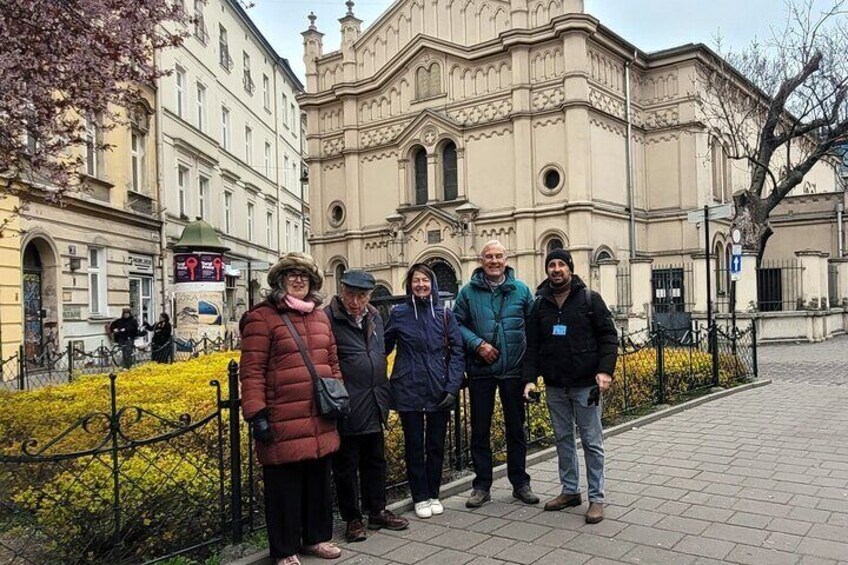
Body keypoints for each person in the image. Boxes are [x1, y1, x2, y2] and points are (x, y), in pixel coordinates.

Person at [239, 252, 343, 565]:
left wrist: (339, 394)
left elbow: (332, 361)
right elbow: (252, 370)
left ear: (312, 282)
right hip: (283, 416)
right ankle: (284, 550)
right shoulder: (262, 317)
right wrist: (257, 413)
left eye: (304, 275)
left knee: (317, 483)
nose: (298, 280)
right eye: (292, 275)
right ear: (280, 281)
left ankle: (315, 538)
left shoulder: (320, 316)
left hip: (320, 414)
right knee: (284, 488)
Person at [522, 249, 618, 524]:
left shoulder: (589, 299)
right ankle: (570, 491)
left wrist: (605, 371)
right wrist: (529, 379)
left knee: (591, 441)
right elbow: (533, 346)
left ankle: (596, 498)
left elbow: (608, 336)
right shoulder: (540, 304)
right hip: (555, 386)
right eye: (551, 264)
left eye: (561, 264)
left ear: (570, 268)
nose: (556, 269)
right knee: (563, 439)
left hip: (585, 385)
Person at [452, 240, 539, 508]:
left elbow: (533, 328)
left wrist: (531, 372)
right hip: (481, 371)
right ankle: (481, 485)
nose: (494, 261)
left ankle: (520, 483)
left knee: (516, 429)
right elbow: (455, 323)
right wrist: (477, 344)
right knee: (480, 430)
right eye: (489, 256)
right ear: (482, 261)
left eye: (498, 256)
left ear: (506, 259)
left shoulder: (521, 290)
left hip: (513, 371)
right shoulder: (467, 292)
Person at [325, 270, 409, 542]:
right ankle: (353, 519)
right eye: (350, 294)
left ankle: (377, 510)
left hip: (375, 399)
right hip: (347, 402)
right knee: (347, 465)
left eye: (361, 296)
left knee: (375, 460)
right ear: (342, 291)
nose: (355, 302)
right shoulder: (328, 318)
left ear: (369, 296)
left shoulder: (374, 316)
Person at [385, 263, 464, 519]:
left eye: (425, 280)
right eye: (416, 280)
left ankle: (434, 493)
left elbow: (457, 351)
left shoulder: (444, 314)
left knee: (436, 445)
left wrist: (452, 387)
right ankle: (420, 496)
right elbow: (384, 346)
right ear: (409, 284)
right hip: (408, 387)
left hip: (438, 388)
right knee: (415, 445)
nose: (421, 285)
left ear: (433, 284)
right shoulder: (399, 314)